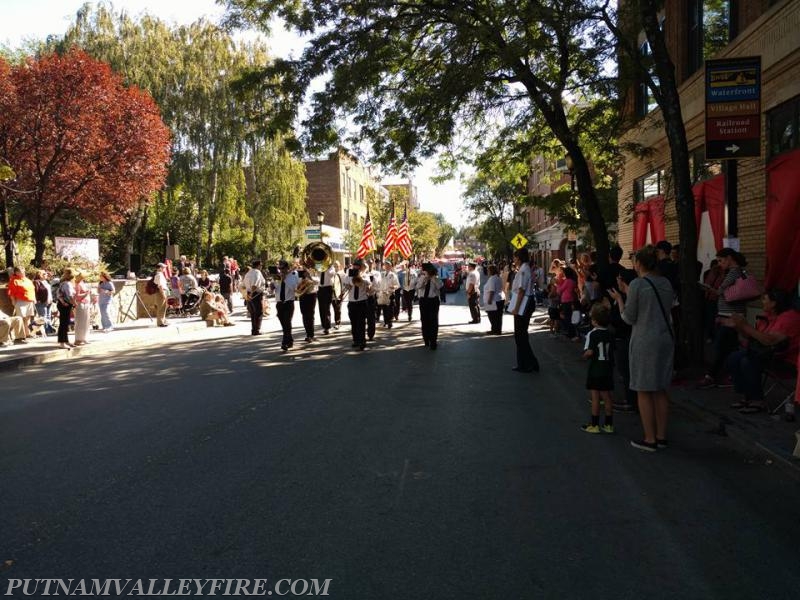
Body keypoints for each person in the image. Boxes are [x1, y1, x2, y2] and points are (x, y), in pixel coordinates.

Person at [609, 245, 674, 452]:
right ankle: (662, 437)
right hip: (665, 338)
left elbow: (629, 317)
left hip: (645, 340)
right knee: (661, 388)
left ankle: (649, 438)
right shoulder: (665, 283)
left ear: (639, 263)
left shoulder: (638, 284)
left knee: (643, 389)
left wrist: (620, 299)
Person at [724, 289, 800, 415]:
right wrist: (739, 327)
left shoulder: (789, 317)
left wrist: (745, 326)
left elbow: (769, 340)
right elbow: (753, 340)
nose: (762, 302)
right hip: (768, 355)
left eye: (765, 299)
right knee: (734, 357)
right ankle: (748, 396)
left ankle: (757, 400)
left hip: (787, 360)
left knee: (747, 361)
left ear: (774, 303)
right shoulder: (767, 317)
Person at [697, 247, 749, 388]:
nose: (719, 264)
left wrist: (707, 288)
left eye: (720, 260)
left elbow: (721, 290)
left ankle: (714, 376)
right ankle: (724, 375)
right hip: (732, 314)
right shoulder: (739, 272)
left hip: (730, 316)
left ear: (729, 258)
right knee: (727, 347)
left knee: (721, 347)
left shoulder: (733, 272)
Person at [581, 303, 616, 434]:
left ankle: (594, 424)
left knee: (595, 396)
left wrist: (583, 357)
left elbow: (590, 352)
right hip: (607, 368)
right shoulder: (610, 334)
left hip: (596, 368)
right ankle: (609, 424)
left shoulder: (592, 334)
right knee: (607, 396)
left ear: (594, 321)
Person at [509, 248, 539, 372]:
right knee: (520, 335)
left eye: (515, 257)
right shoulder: (524, 268)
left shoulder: (523, 270)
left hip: (524, 303)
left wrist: (516, 307)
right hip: (524, 301)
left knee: (520, 335)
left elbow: (521, 290)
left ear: (519, 258)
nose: (514, 260)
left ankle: (528, 364)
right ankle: (526, 363)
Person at [344, 258, 371, 350]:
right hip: (352, 302)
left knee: (361, 323)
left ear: (360, 268)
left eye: (357, 267)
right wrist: (351, 281)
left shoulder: (364, 275)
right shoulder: (349, 275)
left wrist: (360, 278)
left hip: (361, 302)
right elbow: (345, 284)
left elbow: (368, 283)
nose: (355, 269)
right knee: (354, 323)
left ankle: (362, 342)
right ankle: (355, 340)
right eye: (354, 267)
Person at [415, 262, 442, 349]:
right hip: (423, 300)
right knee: (424, 320)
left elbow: (440, 286)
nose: (426, 273)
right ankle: (426, 340)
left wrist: (433, 279)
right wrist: (424, 279)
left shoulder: (436, 278)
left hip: (433, 301)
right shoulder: (422, 277)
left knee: (433, 321)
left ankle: (433, 341)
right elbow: (418, 286)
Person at [274, 260, 299, 351]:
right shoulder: (277, 277)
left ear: (287, 268)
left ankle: (285, 342)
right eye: (280, 268)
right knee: (284, 324)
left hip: (289, 302)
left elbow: (294, 288)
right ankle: (290, 340)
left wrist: (285, 280)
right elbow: (275, 289)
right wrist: (273, 285)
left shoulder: (293, 275)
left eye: (283, 268)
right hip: (279, 303)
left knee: (287, 322)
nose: (281, 270)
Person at [8, 266, 36, 338]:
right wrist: (13, 301)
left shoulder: (27, 280)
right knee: (20, 319)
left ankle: (27, 333)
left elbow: (32, 289)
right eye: (21, 271)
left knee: (27, 318)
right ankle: (20, 336)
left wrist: (34, 299)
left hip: (29, 301)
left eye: (23, 271)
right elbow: (11, 292)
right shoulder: (14, 280)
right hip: (20, 301)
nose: (23, 272)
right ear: (16, 272)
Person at [242, 260, 266, 336]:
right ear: (258, 265)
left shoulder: (248, 273)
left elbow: (242, 285)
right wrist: (251, 294)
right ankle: (256, 330)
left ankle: (253, 329)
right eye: (261, 265)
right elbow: (254, 285)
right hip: (255, 294)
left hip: (249, 293)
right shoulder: (257, 272)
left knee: (253, 313)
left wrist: (246, 294)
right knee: (258, 312)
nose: (261, 267)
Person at [296, 266, 319, 342]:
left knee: (310, 315)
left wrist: (309, 275)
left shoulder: (313, 271)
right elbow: (296, 285)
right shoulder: (299, 273)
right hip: (303, 295)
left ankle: (311, 335)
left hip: (311, 295)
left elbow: (317, 281)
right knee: (304, 315)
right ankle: (308, 334)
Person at [56, 268, 76, 349]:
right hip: (65, 304)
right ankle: (62, 342)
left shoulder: (63, 283)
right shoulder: (68, 284)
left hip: (63, 304)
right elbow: (70, 296)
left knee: (65, 323)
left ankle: (65, 341)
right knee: (63, 324)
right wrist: (74, 304)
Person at [72, 271, 93, 346]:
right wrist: (86, 293)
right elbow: (77, 296)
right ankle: (79, 339)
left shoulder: (82, 283)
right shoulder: (77, 285)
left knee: (86, 322)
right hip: (81, 303)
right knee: (80, 322)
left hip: (85, 303)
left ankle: (84, 338)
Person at [483, 264, 505, 335]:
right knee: (498, 316)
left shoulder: (492, 278)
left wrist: (489, 300)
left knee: (492, 316)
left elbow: (492, 290)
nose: (487, 271)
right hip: (499, 299)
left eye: (488, 270)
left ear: (491, 271)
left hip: (493, 300)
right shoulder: (498, 277)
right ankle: (497, 330)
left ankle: (495, 330)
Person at [378, 259, 399, 328]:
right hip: (383, 293)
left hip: (390, 293)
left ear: (390, 267)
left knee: (390, 309)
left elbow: (397, 285)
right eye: (385, 265)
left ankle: (390, 322)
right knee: (384, 309)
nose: (386, 267)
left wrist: (393, 287)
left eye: (388, 266)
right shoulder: (381, 274)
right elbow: (379, 283)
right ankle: (385, 321)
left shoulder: (393, 275)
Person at [317, 261, 337, 334]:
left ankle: (327, 327)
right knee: (321, 308)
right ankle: (324, 326)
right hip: (320, 288)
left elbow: (331, 274)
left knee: (326, 308)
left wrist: (326, 268)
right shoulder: (318, 265)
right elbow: (316, 273)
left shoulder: (330, 267)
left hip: (328, 288)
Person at [33, 269, 55, 335]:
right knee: (43, 316)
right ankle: (45, 331)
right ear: (40, 275)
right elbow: (36, 292)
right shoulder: (36, 282)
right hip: (41, 302)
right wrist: (38, 300)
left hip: (49, 301)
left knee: (48, 316)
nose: (46, 275)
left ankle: (49, 329)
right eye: (44, 274)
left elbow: (48, 291)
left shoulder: (46, 281)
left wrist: (51, 299)